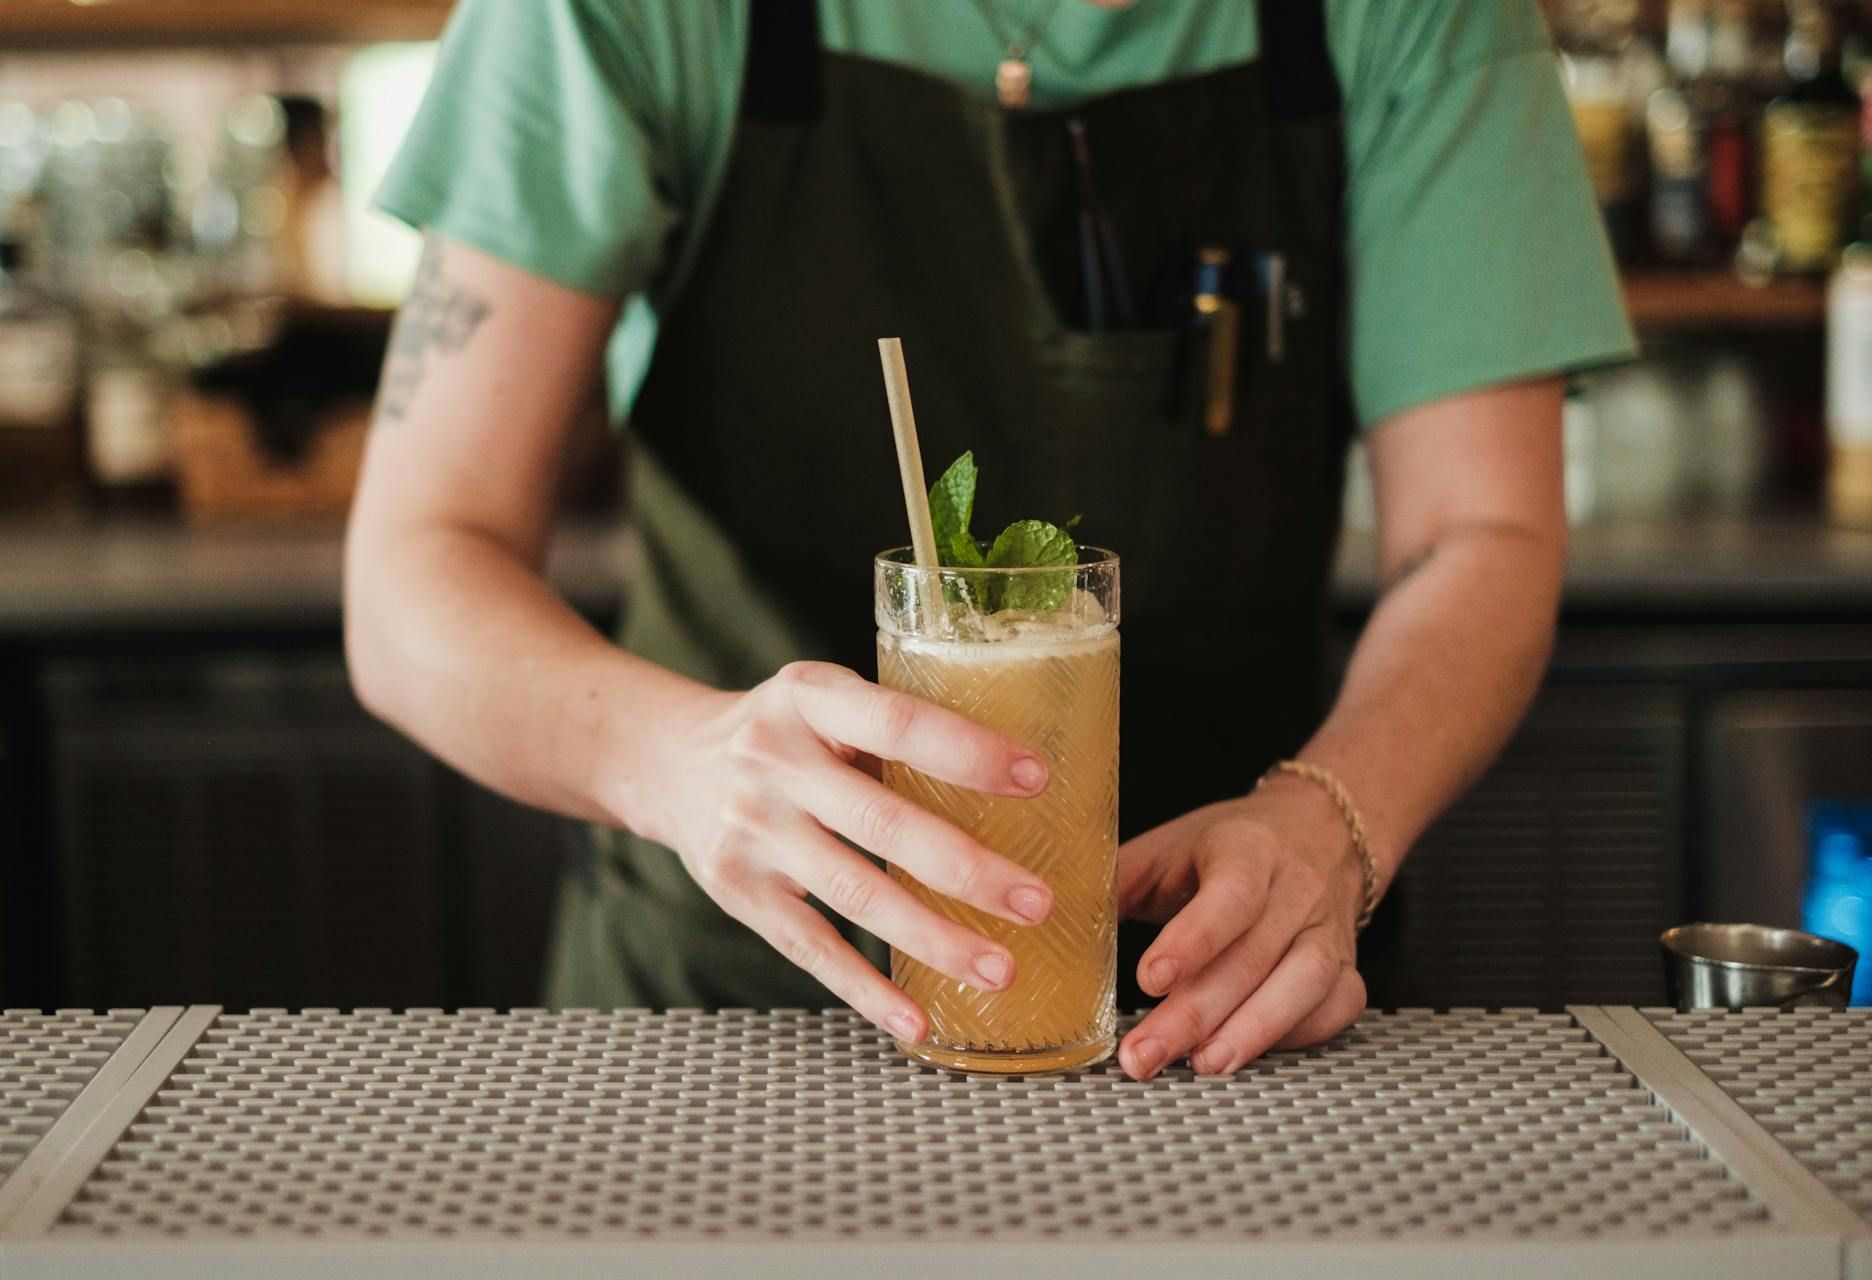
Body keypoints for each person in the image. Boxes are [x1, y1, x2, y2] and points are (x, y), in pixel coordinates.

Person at [346, 0, 1635, 1080]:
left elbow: (1484, 528)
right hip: (721, 1028)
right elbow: (412, 573)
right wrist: (673, 759)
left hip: (1228, 1026)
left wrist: (1336, 819)